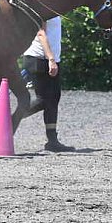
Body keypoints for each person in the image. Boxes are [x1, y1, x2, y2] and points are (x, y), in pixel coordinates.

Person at [23, 16, 75, 152]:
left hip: (53, 59)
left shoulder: (55, 10)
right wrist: (50, 59)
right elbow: (41, 33)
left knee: (54, 99)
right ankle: (10, 120)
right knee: (43, 100)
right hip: (38, 58)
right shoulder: (43, 10)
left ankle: (52, 141)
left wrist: (53, 59)